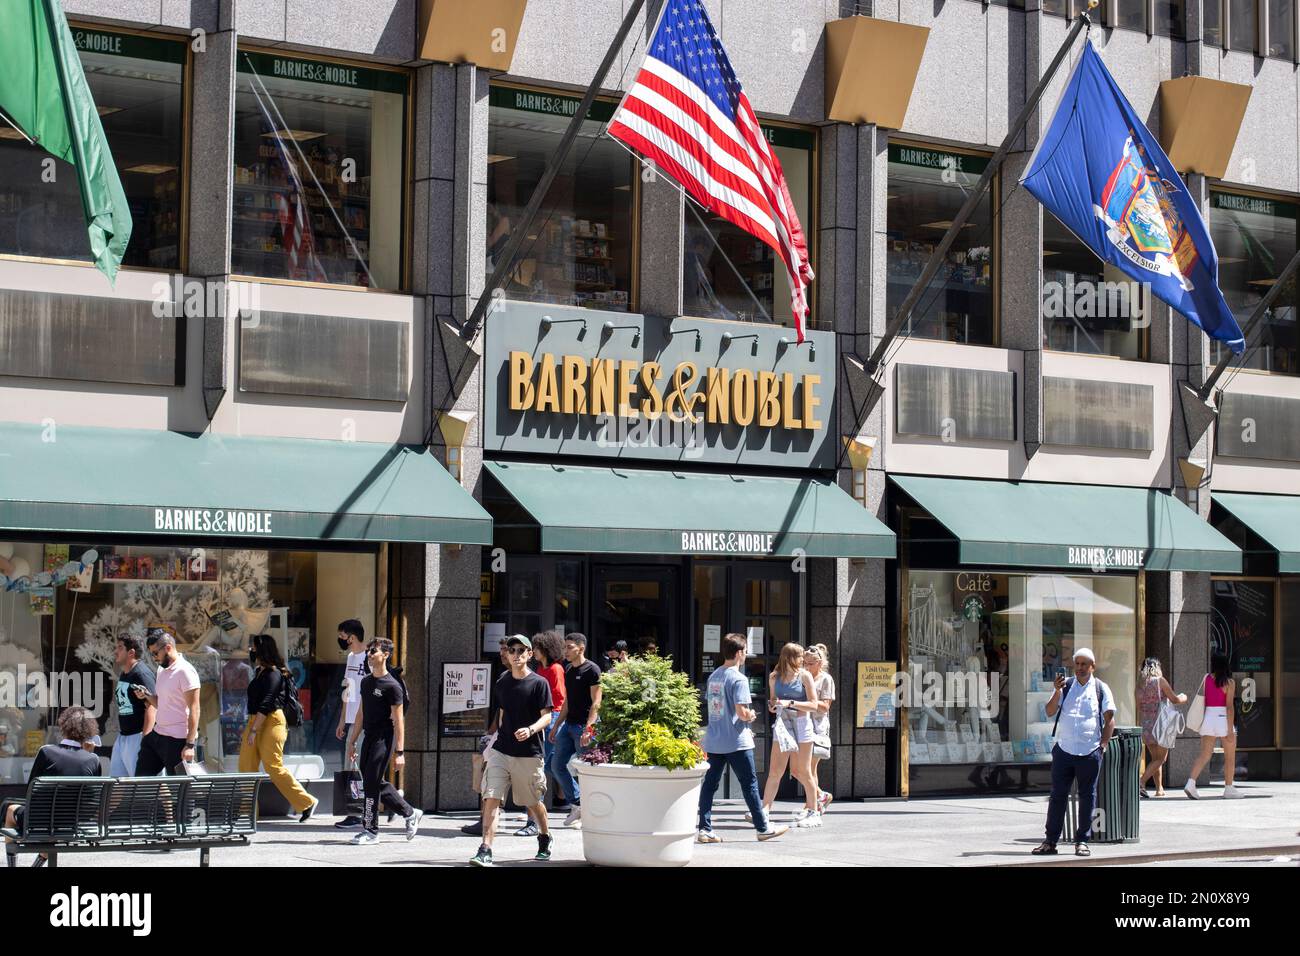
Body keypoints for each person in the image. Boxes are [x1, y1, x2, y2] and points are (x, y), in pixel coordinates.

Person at [469, 635, 554, 866]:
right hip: (502, 749)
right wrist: (492, 735)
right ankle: (485, 848)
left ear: (529, 654)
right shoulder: (502, 681)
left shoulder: (539, 683)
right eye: (512, 650)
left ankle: (545, 836)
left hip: (529, 752)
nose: (516, 654)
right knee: (491, 798)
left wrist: (531, 729)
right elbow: (503, 711)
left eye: (521, 650)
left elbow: (547, 716)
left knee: (533, 801)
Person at [697, 633, 788, 845]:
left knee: (709, 786)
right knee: (750, 785)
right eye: (745, 650)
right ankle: (763, 828)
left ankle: (705, 829)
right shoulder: (739, 679)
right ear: (739, 653)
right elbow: (742, 711)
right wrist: (752, 715)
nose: (746, 654)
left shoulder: (714, 676)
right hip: (737, 740)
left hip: (715, 740)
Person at [1033, 648, 1115, 857]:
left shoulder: (1100, 688)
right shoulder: (1066, 686)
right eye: (1077, 664)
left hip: (1089, 752)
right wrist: (1057, 691)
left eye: (1084, 664)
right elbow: (1050, 711)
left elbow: (1109, 719)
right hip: (1065, 750)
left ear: (1092, 667)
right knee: (1057, 796)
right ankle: (1050, 841)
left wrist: (1102, 746)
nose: (1079, 668)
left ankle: (1082, 841)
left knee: (1087, 796)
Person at [3, 707, 102, 867]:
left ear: (64, 727)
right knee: (56, 824)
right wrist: (88, 753)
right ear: (89, 731)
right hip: (74, 825)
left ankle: (11, 865)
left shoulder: (46, 752)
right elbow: (91, 799)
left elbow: (30, 792)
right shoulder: (93, 759)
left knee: (10, 810)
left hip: (40, 822)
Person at [346, 638, 422, 844]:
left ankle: (371, 831)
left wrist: (400, 753)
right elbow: (361, 712)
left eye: (374, 651)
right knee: (373, 781)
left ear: (386, 655)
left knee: (371, 784)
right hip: (368, 737)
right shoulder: (366, 682)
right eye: (369, 651)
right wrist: (352, 741)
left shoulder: (392, 686)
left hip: (384, 738)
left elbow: (399, 722)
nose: (369, 654)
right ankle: (409, 812)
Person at [239, 633, 319, 822]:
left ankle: (306, 802)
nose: (251, 650)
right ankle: (248, 812)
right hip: (254, 720)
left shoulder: (275, 673)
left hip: (271, 721)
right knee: (245, 767)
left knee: (273, 766)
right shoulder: (259, 672)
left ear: (262, 650)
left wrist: (253, 730)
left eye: (254, 647)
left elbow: (266, 703)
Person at [758, 643, 820, 827]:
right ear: (790, 657)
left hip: (802, 724)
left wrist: (790, 702)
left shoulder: (805, 676)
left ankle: (813, 811)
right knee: (775, 770)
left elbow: (814, 705)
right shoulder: (774, 677)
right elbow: (772, 702)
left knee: (803, 770)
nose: (803, 660)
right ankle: (765, 810)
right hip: (783, 725)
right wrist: (773, 705)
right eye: (800, 656)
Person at [515, 630, 566, 838]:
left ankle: (536, 817)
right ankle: (534, 814)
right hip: (538, 721)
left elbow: (560, 699)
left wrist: (553, 725)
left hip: (550, 720)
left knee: (543, 767)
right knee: (543, 767)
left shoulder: (555, 670)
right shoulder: (539, 670)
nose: (533, 651)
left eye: (535, 648)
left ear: (544, 649)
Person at [548, 632, 602, 828]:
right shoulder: (569, 670)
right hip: (568, 725)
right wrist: (556, 725)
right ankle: (579, 803)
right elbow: (567, 702)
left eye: (569, 647)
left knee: (585, 771)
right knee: (555, 765)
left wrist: (590, 727)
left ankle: (592, 813)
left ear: (581, 648)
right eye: (565, 647)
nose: (566, 651)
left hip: (583, 727)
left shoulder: (592, 670)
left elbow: (597, 701)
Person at [134, 627, 200, 776]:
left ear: (168, 648)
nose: (154, 658)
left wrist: (190, 745)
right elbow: (162, 704)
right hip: (157, 735)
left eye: (155, 653)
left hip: (178, 740)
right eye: (151, 654)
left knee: (181, 792)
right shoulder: (161, 669)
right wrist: (146, 695)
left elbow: (195, 709)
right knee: (140, 783)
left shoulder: (185, 671)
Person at [1184, 654, 1242, 800]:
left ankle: (1190, 783)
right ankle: (1228, 788)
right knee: (1230, 757)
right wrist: (1229, 730)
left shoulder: (1207, 678)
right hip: (1223, 718)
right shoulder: (1229, 682)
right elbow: (1229, 707)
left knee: (1204, 755)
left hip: (1208, 717)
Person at [333, 619, 370, 829]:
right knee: (353, 766)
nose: (340, 639)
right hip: (352, 720)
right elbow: (348, 690)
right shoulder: (350, 657)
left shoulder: (369, 658)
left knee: (356, 766)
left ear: (351, 637)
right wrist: (342, 720)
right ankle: (390, 801)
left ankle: (357, 812)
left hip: (364, 721)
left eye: (342, 636)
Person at [1136, 656, 1187, 798]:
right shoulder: (1160, 681)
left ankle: (1159, 789)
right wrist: (1184, 697)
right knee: (1161, 759)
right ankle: (1140, 782)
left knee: (1155, 758)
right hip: (1161, 725)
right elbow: (1175, 699)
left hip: (1146, 726)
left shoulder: (1139, 685)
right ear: (1157, 668)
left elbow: (1138, 706)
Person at [109, 632, 156, 777]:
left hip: (138, 737)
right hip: (123, 737)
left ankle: (174, 801)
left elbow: (152, 706)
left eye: (120, 647)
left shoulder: (141, 674)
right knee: (116, 783)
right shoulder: (125, 673)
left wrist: (145, 741)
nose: (115, 651)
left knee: (148, 783)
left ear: (131, 652)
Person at [805, 643, 836, 813]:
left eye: (810, 663)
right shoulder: (803, 676)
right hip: (802, 724)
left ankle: (813, 801)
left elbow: (825, 706)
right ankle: (817, 797)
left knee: (808, 767)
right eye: (805, 663)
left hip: (817, 727)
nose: (807, 666)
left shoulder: (826, 679)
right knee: (805, 768)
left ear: (819, 663)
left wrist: (808, 703)